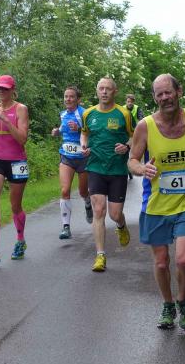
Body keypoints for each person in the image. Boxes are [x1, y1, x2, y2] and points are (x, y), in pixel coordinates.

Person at [128, 74, 185, 330]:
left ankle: (182, 300)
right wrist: (142, 169)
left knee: (183, 259)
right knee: (162, 261)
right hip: (156, 204)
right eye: (159, 94)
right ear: (155, 98)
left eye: (168, 92)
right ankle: (167, 304)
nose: (165, 98)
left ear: (179, 92)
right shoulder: (145, 126)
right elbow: (132, 160)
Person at [81, 77, 134, 272]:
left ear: (115, 92)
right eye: (101, 88)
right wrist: (83, 145)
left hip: (117, 169)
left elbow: (135, 136)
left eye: (108, 89)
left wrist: (127, 146)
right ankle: (100, 256)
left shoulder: (124, 114)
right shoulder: (88, 113)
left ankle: (121, 225)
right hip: (95, 167)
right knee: (98, 210)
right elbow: (84, 133)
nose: (104, 92)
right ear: (97, 91)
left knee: (114, 214)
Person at [0, 75, 30, 265]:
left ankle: (20, 241)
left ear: (12, 90)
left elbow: (22, 139)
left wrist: (6, 121)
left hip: (17, 162)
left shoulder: (21, 109)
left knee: (15, 206)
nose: (0, 91)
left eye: (4, 88)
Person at [51, 85, 93, 239]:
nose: (68, 99)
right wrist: (57, 131)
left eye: (71, 97)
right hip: (66, 156)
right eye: (66, 96)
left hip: (83, 158)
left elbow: (92, 132)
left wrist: (79, 128)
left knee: (83, 191)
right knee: (65, 190)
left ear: (78, 99)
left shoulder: (84, 114)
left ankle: (87, 202)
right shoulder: (63, 114)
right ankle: (66, 227)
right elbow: (63, 129)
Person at [124, 94, 144, 180]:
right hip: (124, 132)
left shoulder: (137, 108)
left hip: (135, 133)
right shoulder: (122, 108)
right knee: (124, 151)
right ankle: (126, 169)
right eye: (128, 101)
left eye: (131, 102)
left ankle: (131, 166)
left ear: (133, 102)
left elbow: (141, 119)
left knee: (132, 151)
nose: (130, 103)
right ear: (126, 102)